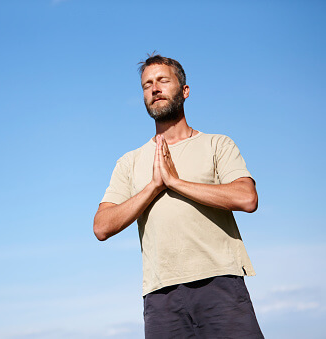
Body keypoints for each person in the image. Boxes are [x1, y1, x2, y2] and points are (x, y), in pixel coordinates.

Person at [93, 53, 264, 338]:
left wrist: (175, 181)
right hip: (161, 297)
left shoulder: (216, 144)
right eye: (147, 85)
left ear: (184, 91)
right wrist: (153, 187)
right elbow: (101, 226)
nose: (155, 89)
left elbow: (247, 198)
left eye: (162, 80)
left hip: (220, 284)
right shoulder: (129, 162)